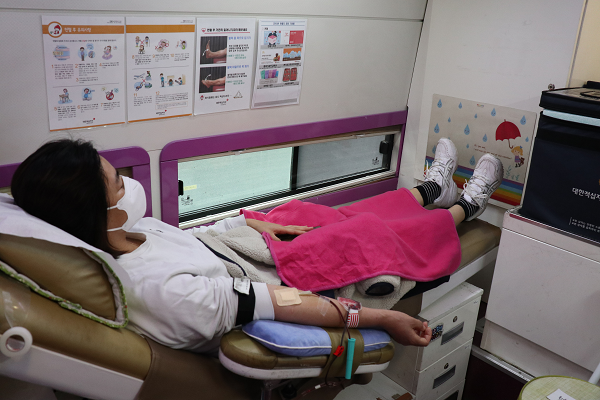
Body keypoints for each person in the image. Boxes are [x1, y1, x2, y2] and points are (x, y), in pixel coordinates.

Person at [10, 138, 502, 354]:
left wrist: (257, 226)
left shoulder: (134, 231)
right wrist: (381, 319)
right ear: (97, 212)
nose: (128, 184)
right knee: (365, 232)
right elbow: (279, 302)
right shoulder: (161, 291)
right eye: (118, 183)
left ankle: (430, 191)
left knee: (310, 212)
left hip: (237, 246)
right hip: (265, 276)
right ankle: (466, 208)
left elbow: (194, 240)